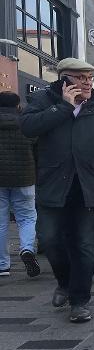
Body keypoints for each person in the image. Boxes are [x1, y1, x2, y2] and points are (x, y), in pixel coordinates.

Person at [20, 58, 94, 323]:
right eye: (80, 78)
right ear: (64, 79)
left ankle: (79, 301)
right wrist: (63, 108)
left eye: (89, 78)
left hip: (89, 188)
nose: (87, 83)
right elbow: (28, 127)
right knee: (50, 240)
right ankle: (65, 282)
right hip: (54, 185)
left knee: (84, 244)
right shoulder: (45, 100)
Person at [0, 92, 39, 277]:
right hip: (25, 177)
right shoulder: (27, 123)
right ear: (17, 105)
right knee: (27, 218)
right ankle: (27, 249)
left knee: (0, 223)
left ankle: (2, 265)